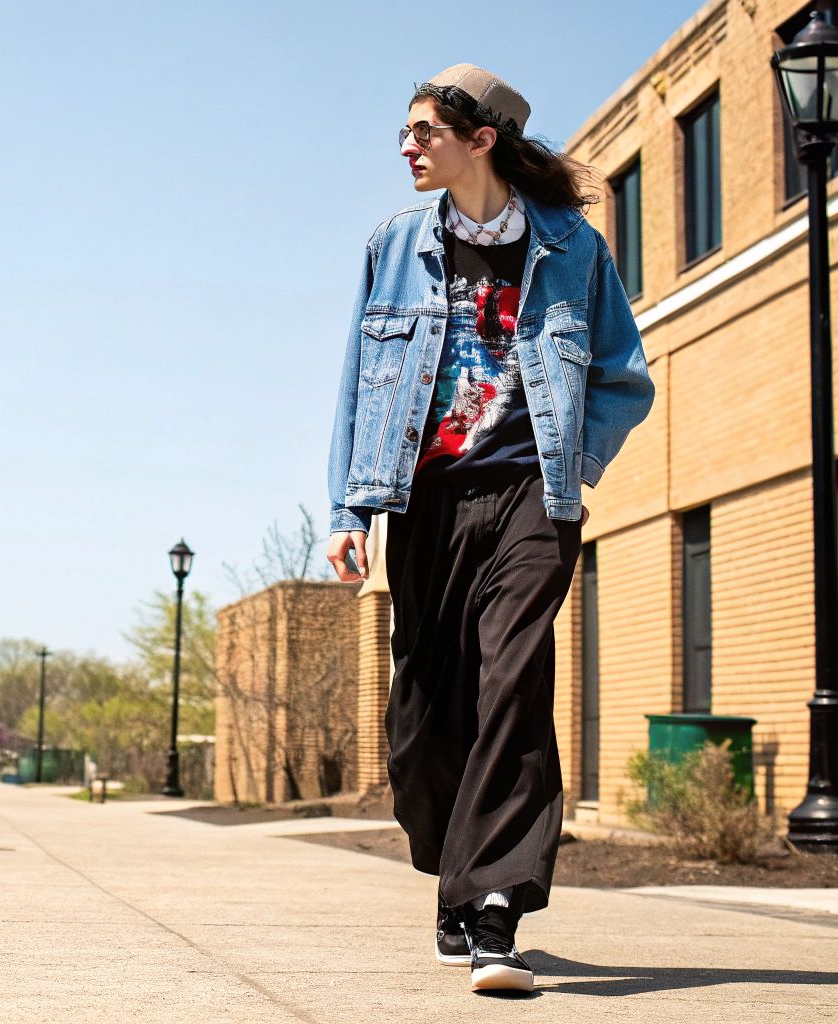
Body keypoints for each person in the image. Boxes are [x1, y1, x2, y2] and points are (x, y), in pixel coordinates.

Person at [323, 64, 654, 994]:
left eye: (424, 129)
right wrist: (350, 508)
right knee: (425, 712)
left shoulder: (573, 250)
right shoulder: (394, 246)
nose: (407, 145)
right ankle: (453, 879)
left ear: (482, 140)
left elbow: (624, 379)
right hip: (426, 500)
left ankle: (496, 910)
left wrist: (573, 473)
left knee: (513, 683)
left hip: (530, 498)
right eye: (406, 130)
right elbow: (358, 385)